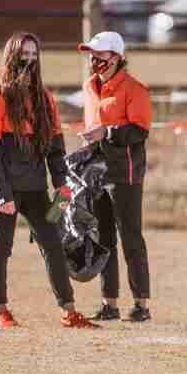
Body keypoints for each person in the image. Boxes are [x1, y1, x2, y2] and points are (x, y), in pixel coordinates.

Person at [0, 32, 98, 330]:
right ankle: (2, 310)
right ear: (12, 56)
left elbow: (57, 154)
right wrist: (1, 195)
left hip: (36, 190)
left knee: (53, 243)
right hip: (4, 187)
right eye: (24, 54)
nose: (30, 60)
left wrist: (64, 195)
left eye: (34, 55)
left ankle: (69, 311)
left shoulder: (46, 100)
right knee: (1, 247)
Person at [79, 31, 154, 322]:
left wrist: (106, 132)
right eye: (91, 54)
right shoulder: (89, 86)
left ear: (116, 57)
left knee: (131, 237)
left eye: (100, 54)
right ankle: (108, 303)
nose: (94, 59)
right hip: (95, 170)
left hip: (125, 173)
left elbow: (139, 131)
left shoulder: (135, 89)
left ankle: (141, 304)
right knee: (102, 237)